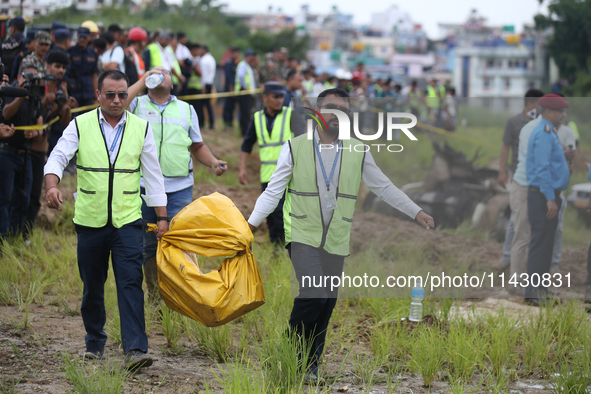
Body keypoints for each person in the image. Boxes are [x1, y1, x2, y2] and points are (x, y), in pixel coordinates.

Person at [247, 88, 434, 380]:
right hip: (302, 232)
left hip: (336, 236)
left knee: (327, 302)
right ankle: (286, 352)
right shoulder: (294, 147)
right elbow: (273, 191)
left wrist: (416, 211)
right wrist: (249, 225)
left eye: (343, 110)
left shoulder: (358, 150)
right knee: (315, 295)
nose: (337, 115)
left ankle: (310, 365)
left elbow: (383, 187)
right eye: (331, 108)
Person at [44, 70, 168, 369]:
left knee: (130, 282)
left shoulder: (141, 127)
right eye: (110, 94)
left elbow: (153, 176)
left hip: (128, 220)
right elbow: (59, 156)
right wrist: (51, 184)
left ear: (129, 95)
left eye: (122, 94)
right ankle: (94, 341)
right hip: (90, 221)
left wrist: (162, 217)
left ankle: (136, 350)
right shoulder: (81, 124)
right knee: (93, 285)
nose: (116, 100)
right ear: (98, 94)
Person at [127, 66, 227, 296]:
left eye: (165, 72)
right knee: (148, 244)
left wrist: (212, 162)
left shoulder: (186, 109)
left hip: (179, 186)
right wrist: (142, 80)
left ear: (173, 83)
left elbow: (197, 145)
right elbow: (118, 106)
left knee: (177, 240)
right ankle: (155, 292)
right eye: (155, 73)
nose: (160, 75)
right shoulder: (137, 104)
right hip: (144, 185)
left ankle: (178, 294)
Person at [524, 94, 570, 306]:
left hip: (547, 196)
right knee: (540, 245)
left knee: (546, 245)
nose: (564, 115)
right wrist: (550, 199)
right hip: (543, 197)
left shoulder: (550, 131)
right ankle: (534, 293)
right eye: (561, 112)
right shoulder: (544, 134)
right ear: (549, 112)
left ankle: (540, 290)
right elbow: (542, 169)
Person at [494, 90, 544, 279]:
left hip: (533, 179)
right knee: (516, 220)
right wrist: (502, 171)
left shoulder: (540, 124)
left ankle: (517, 260)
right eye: (540, 104)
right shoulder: (513, 122)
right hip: (517, 175)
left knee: (523, 223)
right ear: (530, 104)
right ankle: (508, 257)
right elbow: (505, 146)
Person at [27, 51, 76, 235]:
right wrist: (44, 101)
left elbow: (65, 122)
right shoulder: (39, 84)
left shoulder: (61, 90)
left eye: (63, 67)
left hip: (42, 144)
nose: (60, 70)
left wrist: (65, 107)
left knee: (34, 192)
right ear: (48, 66)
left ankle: (27, 232)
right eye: (57, 66)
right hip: (25, 142)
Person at [239, 82, 292, 244]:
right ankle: (277, 247)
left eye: (281, 96)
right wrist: (242, 168)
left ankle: (282, 245)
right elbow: (247, 144)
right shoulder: (257, 119)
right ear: (265, 97)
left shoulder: (290, 115)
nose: (279, 100)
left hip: (288, 174)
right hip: (267, 175)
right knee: (270, 213)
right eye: (275, 96)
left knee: (282, 212)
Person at [0, 63, 44, 240]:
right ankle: (3, 237)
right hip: (7, 153)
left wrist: (36, 132)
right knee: (4, 198)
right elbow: (7, 113)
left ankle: (15, 235)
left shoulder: (35, 98)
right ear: (18, 77)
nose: (30, 81)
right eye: (26, 76)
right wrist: (21, 95)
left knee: (23, 198)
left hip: (26, 155)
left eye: (33, 77)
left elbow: (41, 125)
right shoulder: (9, 92)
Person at [68, 27, 99, 108]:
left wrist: (96, 97)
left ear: (88, 37)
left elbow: (94, 75)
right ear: (77, 36)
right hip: (74, 91)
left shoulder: (92, 53)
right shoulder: (71, 52)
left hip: (88, 93)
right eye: (80, 37)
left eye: (84, 37)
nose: (82, 39)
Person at [235, 49, 257, 136]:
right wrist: (245, 87)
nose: (253, 58)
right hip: (243, 91)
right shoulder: (243, 65)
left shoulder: (246, 65)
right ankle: (244, 131)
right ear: (247, 56)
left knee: (245, 112)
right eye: (252, 56)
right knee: (245, 112)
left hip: (246, 91)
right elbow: (241, 76)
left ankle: (245, 130)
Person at [198, 45, 216, 130]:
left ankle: (202, 123)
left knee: (202, 105)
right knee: (208, 105)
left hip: (205, 84)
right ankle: (211, 123)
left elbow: (203, 74)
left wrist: (202, 86)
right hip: (210, 83)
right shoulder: (212, 59)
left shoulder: (204, 60)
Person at [223, 47, 240, 129]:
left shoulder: (237, 63)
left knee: (232, 107)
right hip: (229, 88)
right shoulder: (229, 63)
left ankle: (231, 123)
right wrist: (231, 90)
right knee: (228, 106)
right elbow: (229, 77)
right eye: (236, 53)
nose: (237, 55)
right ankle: (227, 122)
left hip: (235, 88)